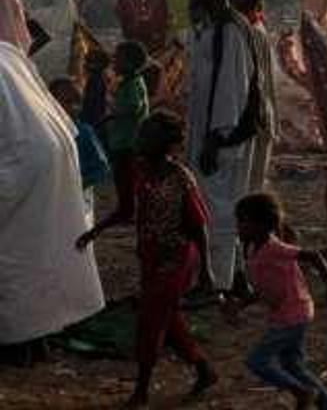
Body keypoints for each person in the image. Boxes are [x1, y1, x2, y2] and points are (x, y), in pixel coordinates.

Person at [77, 112, 217, 408]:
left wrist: (207, 270)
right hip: (151, 257)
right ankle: (204, 369)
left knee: (150, 322)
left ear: (167, 144)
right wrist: (94, 232)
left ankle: (141, 391)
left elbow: (198, 226)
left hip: (177, 259)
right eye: (142, 133)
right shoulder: (139, 170)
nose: (140, 138)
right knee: (169, 319)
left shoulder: (180, 177)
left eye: (148, 135)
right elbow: (127, 209)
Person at [0, 40, 104, 359]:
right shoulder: (11, 60)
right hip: (43, 173)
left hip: (22, 176)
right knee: (37, 259)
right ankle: (37, 340)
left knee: (16, 265)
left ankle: (21, 343)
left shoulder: (9, 60)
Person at [187, 0, 266, 293]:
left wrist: (215, 139)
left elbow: (232, 90)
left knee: (217, 208)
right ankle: (234, 278)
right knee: (221, 203)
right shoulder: (213, 27)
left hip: (223, 136)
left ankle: (217, 283)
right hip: (213, 132)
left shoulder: (230, 30)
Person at [228, 193, 327, 410]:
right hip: (289, 314)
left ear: (262, 225)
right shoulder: (254, 249)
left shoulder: (274, 248)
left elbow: (314, 256)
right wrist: (240, 305)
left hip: (292, 316)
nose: (239, 227)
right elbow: (264, 287)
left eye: (244, 222)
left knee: (257, 361)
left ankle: (301, 392)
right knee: (293, 366)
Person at [230, 0, 278, 193]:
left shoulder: (250, 32)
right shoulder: (252, 29)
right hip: (258, 117)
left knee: (250, 190)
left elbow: (256, 83)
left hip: (253, 118)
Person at [48, 77, 111, 226]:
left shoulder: (84, 132)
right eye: (67, 102)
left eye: (78, 102)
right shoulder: (45, 133)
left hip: (78, 199)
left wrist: (78, 183)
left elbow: (101, 167)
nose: (75, 107)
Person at [100, 40, 149, 223]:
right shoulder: (128, 82)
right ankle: (126, 208)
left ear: (129, 62)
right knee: (123, 178)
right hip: (122, 139)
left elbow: (134, 107)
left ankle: (127, 210)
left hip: (128, 140)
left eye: (117, 59)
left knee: (126, 178)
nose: (114, 62)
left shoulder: (132, 83)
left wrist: (114, 112)